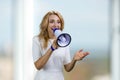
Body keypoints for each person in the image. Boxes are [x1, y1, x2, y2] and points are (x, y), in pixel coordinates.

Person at [32, 11, 90, 80]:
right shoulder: (37, 40)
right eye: (52, 22)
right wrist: (52, 48)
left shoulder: (64, 40)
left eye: (58, 22)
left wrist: (74, 60)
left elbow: (67, 68)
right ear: (46, 24)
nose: (56, 25)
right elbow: (38, 66)